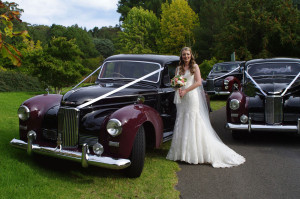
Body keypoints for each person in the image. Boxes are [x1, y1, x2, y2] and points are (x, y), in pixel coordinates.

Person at [166, 47, 245, 168]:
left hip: (191, 97)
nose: (186, 56)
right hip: (182, 99)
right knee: (182, 120)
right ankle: (181, 153)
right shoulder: (178, 68)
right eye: (183, 54)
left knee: (192, 121)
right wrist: (178, 89)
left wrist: (186, 90)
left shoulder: (195, 67)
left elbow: (198, 82)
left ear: (191, 55)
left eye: (187, 54)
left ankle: (194, 154)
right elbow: (177, 82)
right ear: (181, 56)